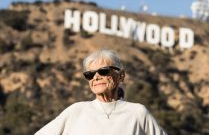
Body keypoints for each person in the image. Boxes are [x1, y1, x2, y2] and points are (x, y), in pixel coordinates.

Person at [35, 49, 167, 135]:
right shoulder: (76, 111)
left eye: (104, 71)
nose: (96, 77)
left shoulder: (138, 113)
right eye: (89, 74)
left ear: (121, 76)